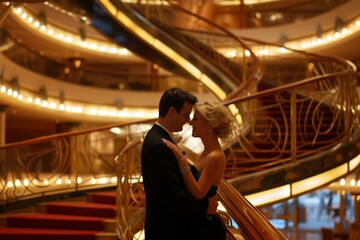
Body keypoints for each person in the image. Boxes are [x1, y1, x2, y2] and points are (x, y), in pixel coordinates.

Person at [141, 88, 218, 240]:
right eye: (186, 114)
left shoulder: (159, 137)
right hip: (167, 231)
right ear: (171, 111)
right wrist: (205, 207)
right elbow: (172, 197)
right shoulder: (159, 145)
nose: (188, 120)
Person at [163, 101, 234, 240]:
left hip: (206, 229)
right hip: (199, 222)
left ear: (210, 124)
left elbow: (199, 192)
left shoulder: (215, 156)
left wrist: (182, 162)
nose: (191, 123)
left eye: (196, 119)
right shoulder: (205, 152)